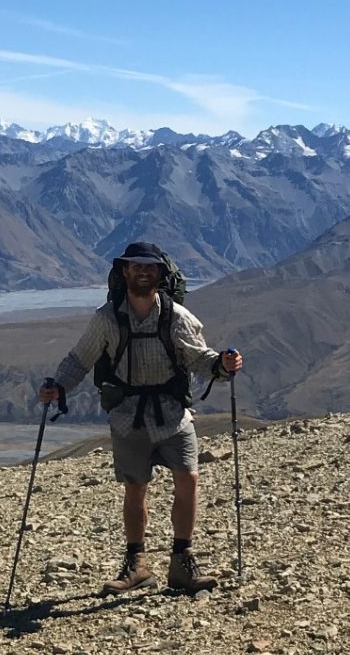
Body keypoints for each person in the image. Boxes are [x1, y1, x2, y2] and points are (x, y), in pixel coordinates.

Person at [39, 241, 243, 596]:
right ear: (124, 272)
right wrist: (58, 385)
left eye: (149, 267)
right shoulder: (107, 319)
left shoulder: (177, 317)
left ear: (160, 274)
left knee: (189, 477)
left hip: (173, 413)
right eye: (136, 267)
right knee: (135, 489)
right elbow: (80, 358)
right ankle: (138, 565)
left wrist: (221, 367)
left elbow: (199, 358)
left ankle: (181, 561)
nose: (143, 272)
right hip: (128, 415)